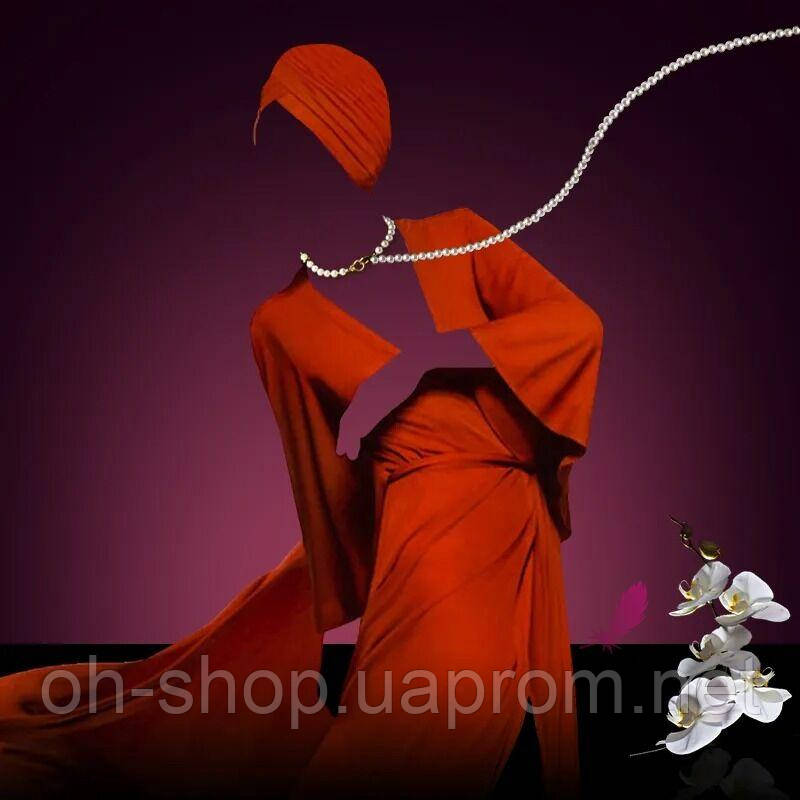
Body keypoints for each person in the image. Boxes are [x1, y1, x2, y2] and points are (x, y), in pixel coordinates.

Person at [0, 44, 603, 799]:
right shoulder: (279, 324)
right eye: (271, 147)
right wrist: (318, 589)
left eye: (308, 139)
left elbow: (577, 328)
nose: (286, 168)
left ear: (359, 144)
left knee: (451, 730)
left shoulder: (460, 238)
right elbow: (326, 493)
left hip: (497, 514)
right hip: (408, 531)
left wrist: (429, 361)